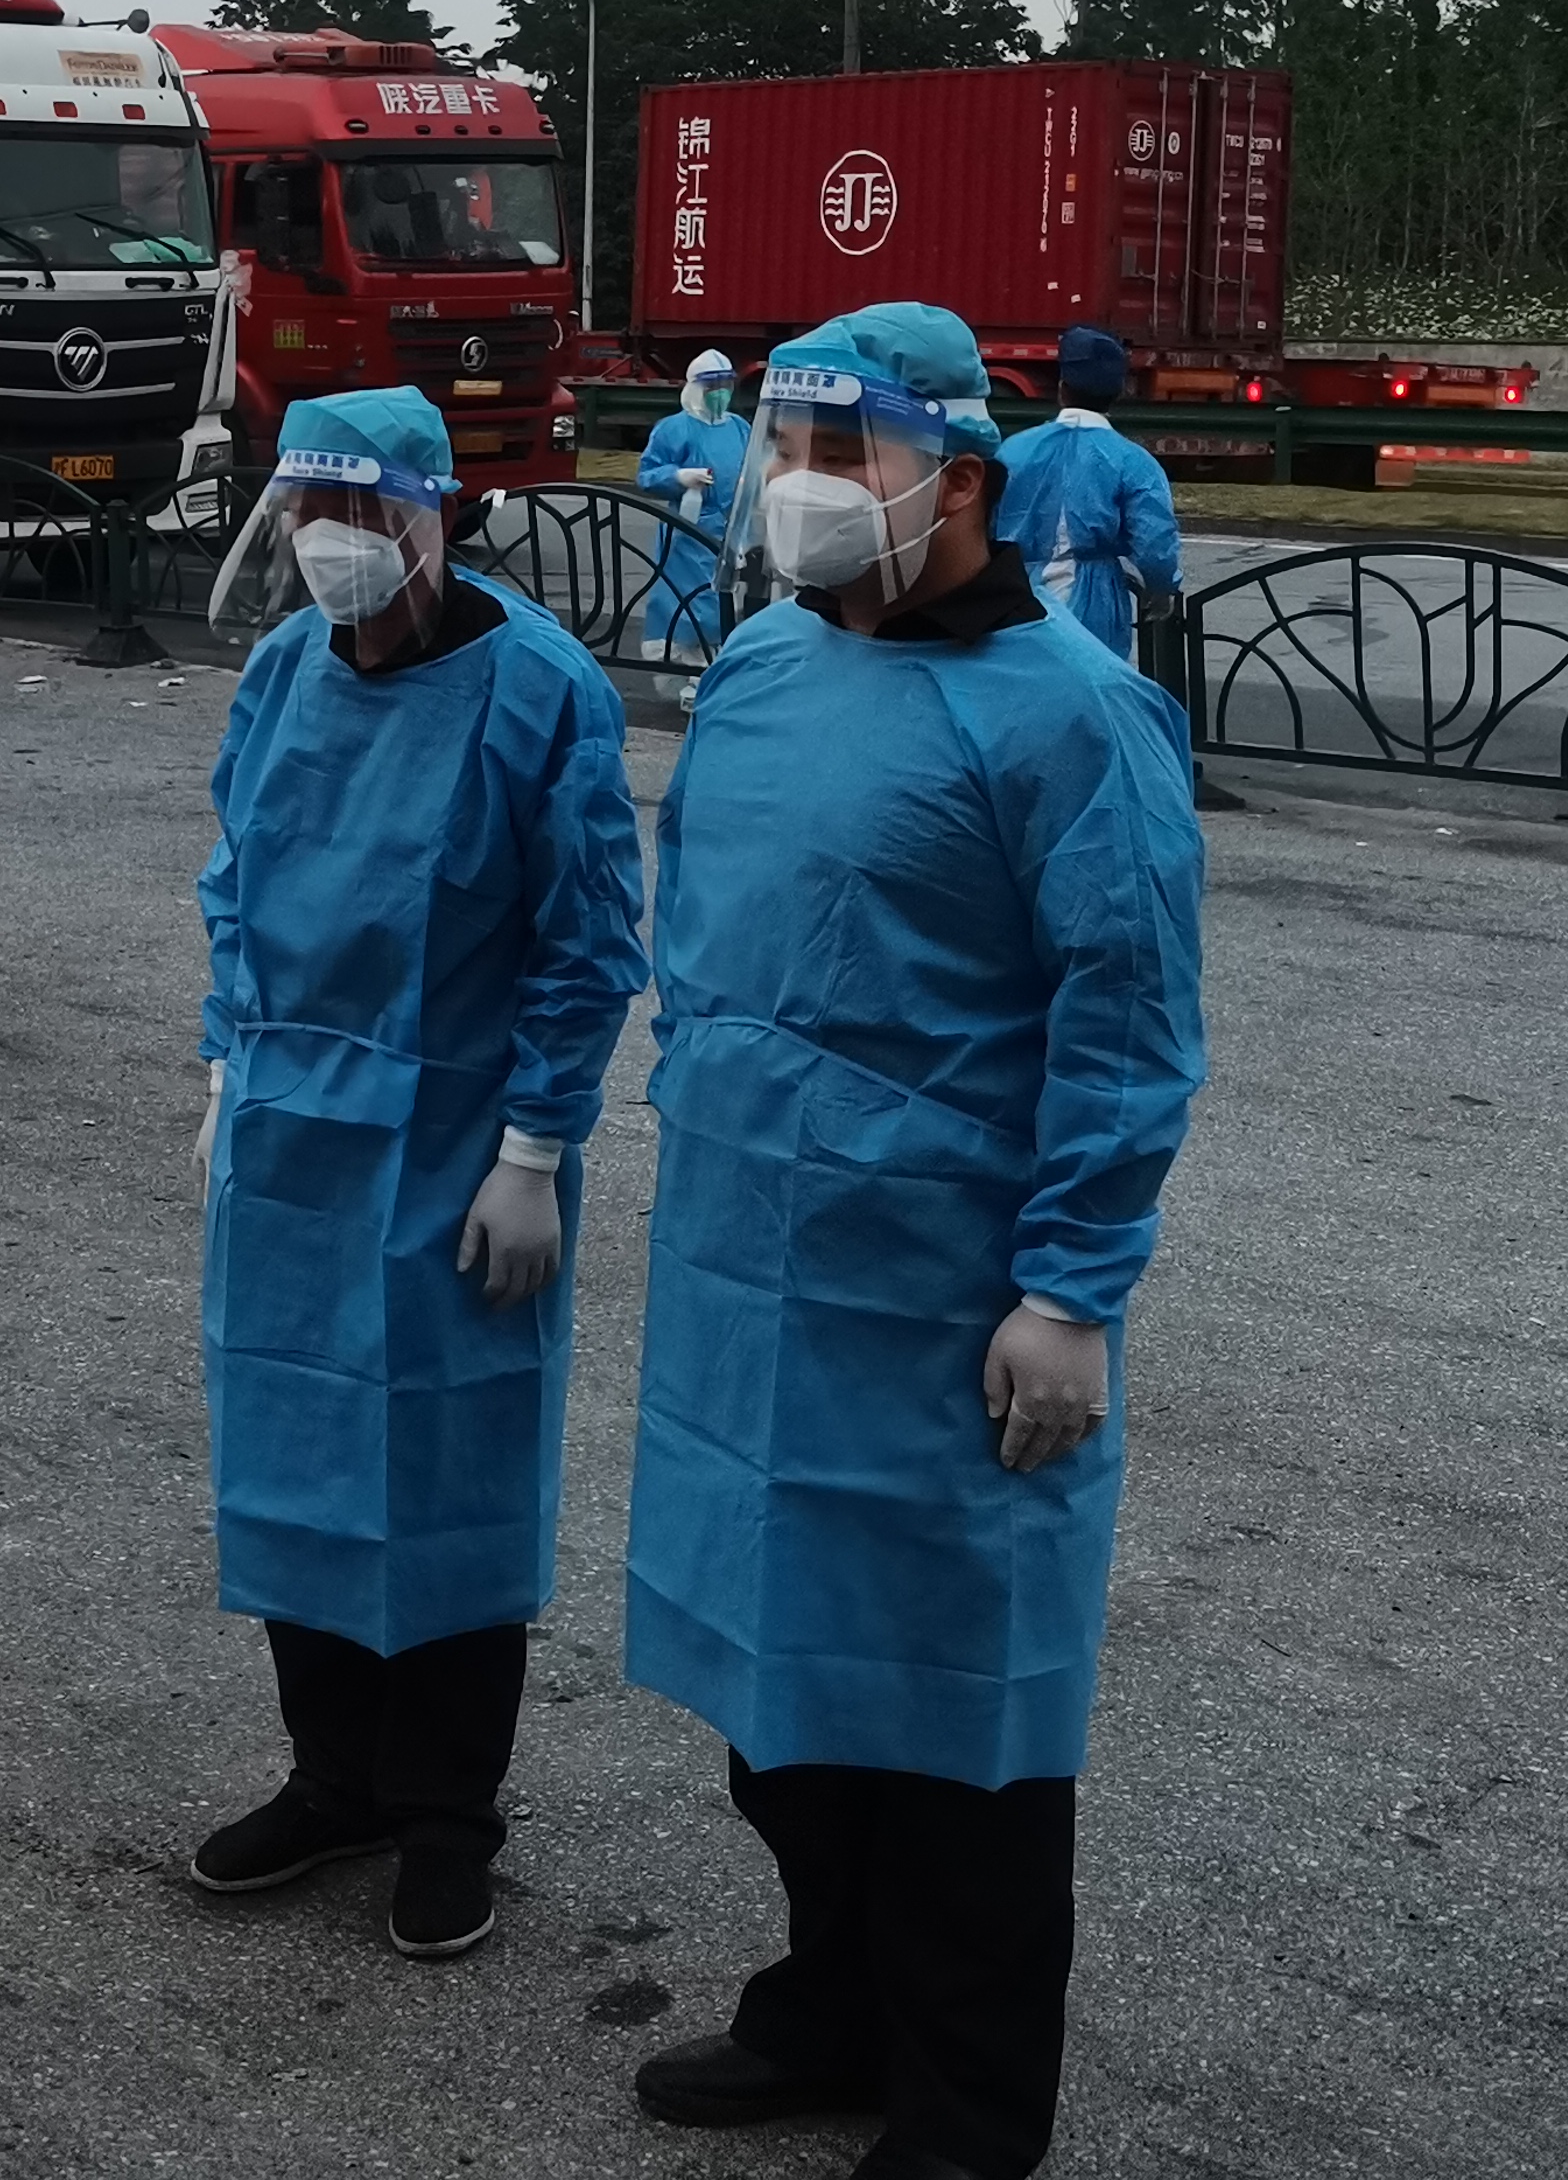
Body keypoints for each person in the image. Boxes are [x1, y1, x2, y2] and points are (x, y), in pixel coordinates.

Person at [617, 302, 1206, 2180]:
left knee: (952, 1725)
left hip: (943, 1289)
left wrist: (1069, 1286)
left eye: (836, 452)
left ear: (956, 478)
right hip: (749, 1268)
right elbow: (704, 925)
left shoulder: (1070, 715)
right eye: (781, 448)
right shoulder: (765, 660)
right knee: (782, 1697)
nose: (795, 485)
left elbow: (1126, 1020)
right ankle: (829, 2007)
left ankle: (962, 2113)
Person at [189, 384, 649, 1962]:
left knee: (446, 1476)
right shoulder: (282, 668)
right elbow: (237, 876)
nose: (335, 545)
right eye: (309, 514)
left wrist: (537, 1144)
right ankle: (335, 1779)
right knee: (300, 1451)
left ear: (436, 515)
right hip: (291, 1130)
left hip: (457, 1141)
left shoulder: (539, 690)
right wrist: (223, 1058)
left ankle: (449, 1816)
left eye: (364, 514)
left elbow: (585, 941)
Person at [990, 324, 1185, 664]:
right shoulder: (1133, 461)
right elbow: (1155, 542)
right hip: (1095, 601)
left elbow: (984, 525)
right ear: (1118, 393)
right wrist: (1161, 588)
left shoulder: (1013, 451)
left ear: (1062, 388)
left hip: (1017, 594)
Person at [636, 348, 747, 652]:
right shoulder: (674, 429)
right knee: (688, 595)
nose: (720, 393)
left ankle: (714, 654)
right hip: (689, 528)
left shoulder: (739, 427)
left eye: (725, 385)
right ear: (696, 387)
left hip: (732, 527)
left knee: (725, 596)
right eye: (712, 386)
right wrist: (678, 477)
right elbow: (646, 475)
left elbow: (754, 468)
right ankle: (680, 655)